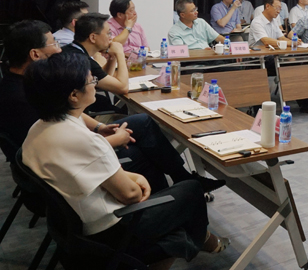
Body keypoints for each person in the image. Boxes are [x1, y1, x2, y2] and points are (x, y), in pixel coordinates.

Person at [21, 53, 229, 264]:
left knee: (146, 164)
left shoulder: (38, 128)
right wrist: (137, 182)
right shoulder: (84, 141)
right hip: (111, 230)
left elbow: (88, 171)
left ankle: (192, 232)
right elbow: (130, 195)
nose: (95, 84)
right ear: (74, 95)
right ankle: (202, 239)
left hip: (72, 225)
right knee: (192, 190)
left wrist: (135, 177)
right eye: (91, 81)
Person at [1, 21, 225, 195]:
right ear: (35, 54)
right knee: (141, 153)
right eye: (54, 44)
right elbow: (58, 151)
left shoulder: (29, 81)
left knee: (142, 122)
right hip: (63, 168)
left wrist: (99, 128)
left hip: (77, 143)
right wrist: (112, 140)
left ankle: (182, 179)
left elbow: (64, 114)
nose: (60, 50)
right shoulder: (22, 97)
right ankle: (162, 205)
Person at [62, 13, 129, 96]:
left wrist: (113, 57)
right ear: (93, 37)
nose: (110, 38)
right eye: (108, 33)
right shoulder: (81, 60)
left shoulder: (71, 50)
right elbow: (123, 88)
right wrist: (120, 53)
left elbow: (102, 79)